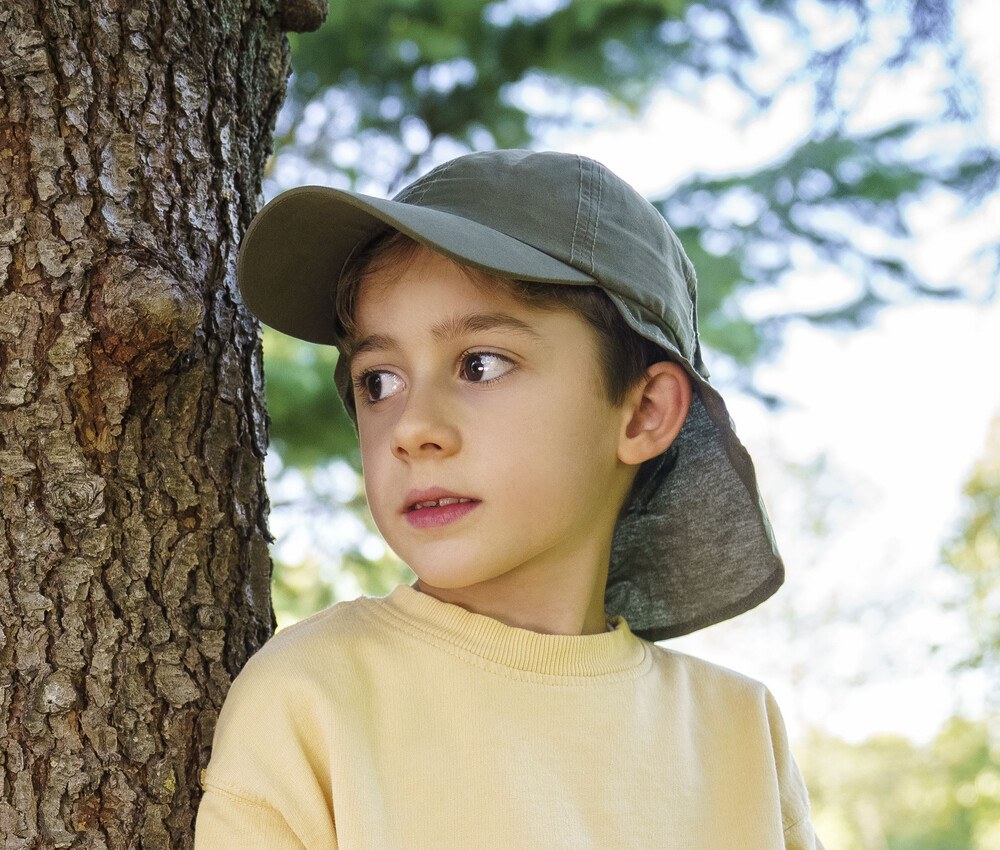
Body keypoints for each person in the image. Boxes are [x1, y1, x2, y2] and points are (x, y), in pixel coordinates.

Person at [194, 149, 823, 848]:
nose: (412, 429)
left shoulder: (739, 734)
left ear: (644, 412)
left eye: (481, 364)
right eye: (379, 381)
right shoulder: (311, 700)